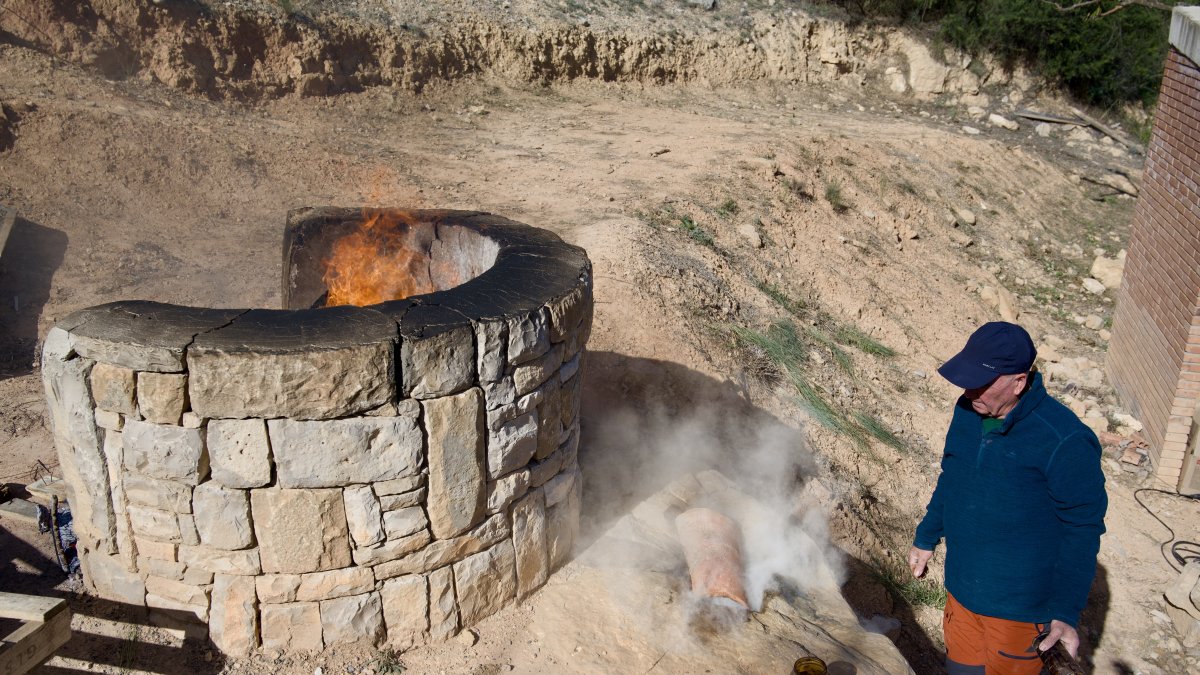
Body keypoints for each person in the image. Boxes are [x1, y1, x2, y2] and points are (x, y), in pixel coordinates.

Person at [908, 322, 1107, 674]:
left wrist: (1065, 611)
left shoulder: (1065, 440)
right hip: (962, 595)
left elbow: (1082, 529)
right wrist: (927, 536)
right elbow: (952, 476)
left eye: (982, 383)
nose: (970, 391)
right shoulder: (968, 410)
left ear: (1019, 381)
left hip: (1020, 614)